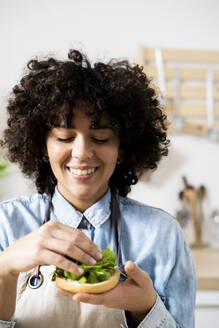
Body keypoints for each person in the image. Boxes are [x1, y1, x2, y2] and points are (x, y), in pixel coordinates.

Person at [0, 49, 196, 328]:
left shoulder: (161, 234)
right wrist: (4, 270)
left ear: (123, 146)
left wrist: (146, 308)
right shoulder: (5, 224)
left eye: (101, 138)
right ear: (42, 144)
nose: (81, 152)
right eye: (65, 136)